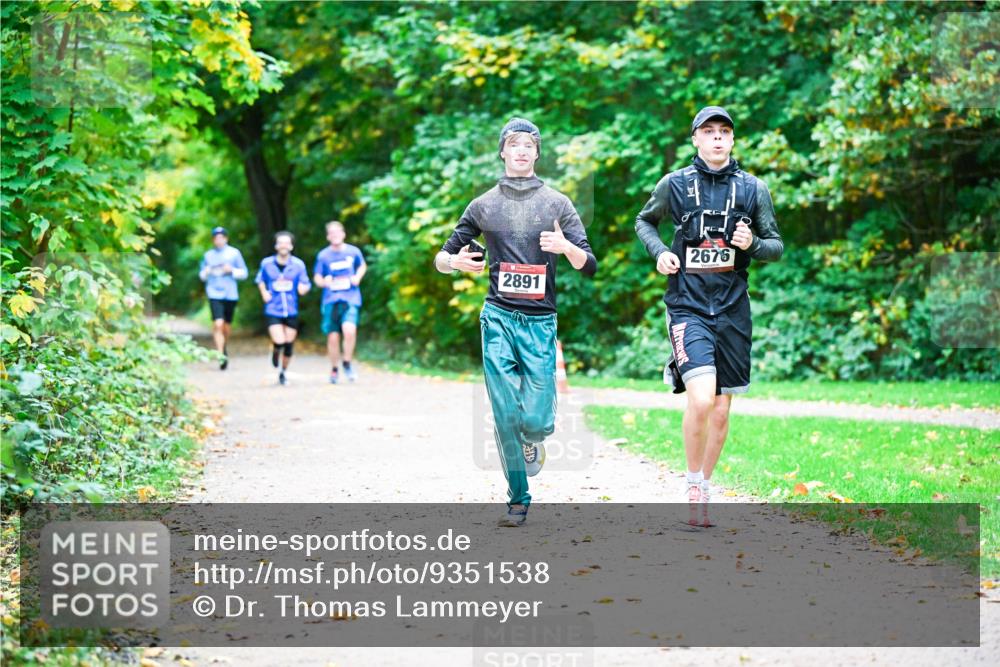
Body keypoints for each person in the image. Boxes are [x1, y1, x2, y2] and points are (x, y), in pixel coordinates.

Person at [435, 118, 598, 527]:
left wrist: (565, 246)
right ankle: (518, 499)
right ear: (503, 152)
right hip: (498, 317)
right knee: (504, 411)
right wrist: (454, 262)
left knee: (537, 422)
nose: (522, 150)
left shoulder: (557, 203)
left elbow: (589, 264)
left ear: (537, 153)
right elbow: (441, 257)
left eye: (529, 144)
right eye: (514, 143)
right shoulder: (483, 205)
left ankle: (533, 439)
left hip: (540, 322)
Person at [634, 106, 783, 527]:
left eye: (724, 132)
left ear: (732, 140)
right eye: (709, 131)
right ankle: (691, 481)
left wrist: (752, 243)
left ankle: (704, 484)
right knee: (701, 398)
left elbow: (775, 246)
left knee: (720, 409)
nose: (717, 138)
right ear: (696, 139)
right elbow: (644, 222)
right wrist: (659, 252)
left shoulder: (753, 189)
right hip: (688, 306)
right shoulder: (675, 185)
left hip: (733, 310)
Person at [313, 221, 366, 384]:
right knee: (333, 337)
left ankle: (347, 362)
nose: (335, 235)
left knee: (349, 331)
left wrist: (357, 277)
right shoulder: (323, 255)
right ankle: (334, 368)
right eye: (332, 233)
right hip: (331, 300)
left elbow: (362, 266)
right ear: (328, 236)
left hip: (350, 298)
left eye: (338, 232)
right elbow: (317, 277)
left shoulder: (353, 251)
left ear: (343, 234)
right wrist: (324, 282)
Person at [255, 231, 311, 385]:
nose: (283, 245)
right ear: (276, 246)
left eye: (287, 243)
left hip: (291, 309)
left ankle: (283, 372)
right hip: (273, 308)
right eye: (280, 243)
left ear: (291, 246)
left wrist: (303, 288)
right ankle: (275, 350)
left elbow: (306, 282)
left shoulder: (298, 265)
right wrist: (264, 292)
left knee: (288, 345)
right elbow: (260, 280)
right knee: (279, 340)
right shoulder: (267, 264)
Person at [198, 226, 249, 370]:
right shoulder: (208, 255)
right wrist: (206, 271)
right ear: (213, 240)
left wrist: (232, 270)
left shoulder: (234, 253)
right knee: (218, 323)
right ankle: (221, 354)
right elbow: (201, 276)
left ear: (226, 239)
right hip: (214, 293)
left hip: (230, 293)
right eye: (216, 238)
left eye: (221, 238)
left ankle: (224, 347)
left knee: (226, 325)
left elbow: (244, 273)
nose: (219, 240)